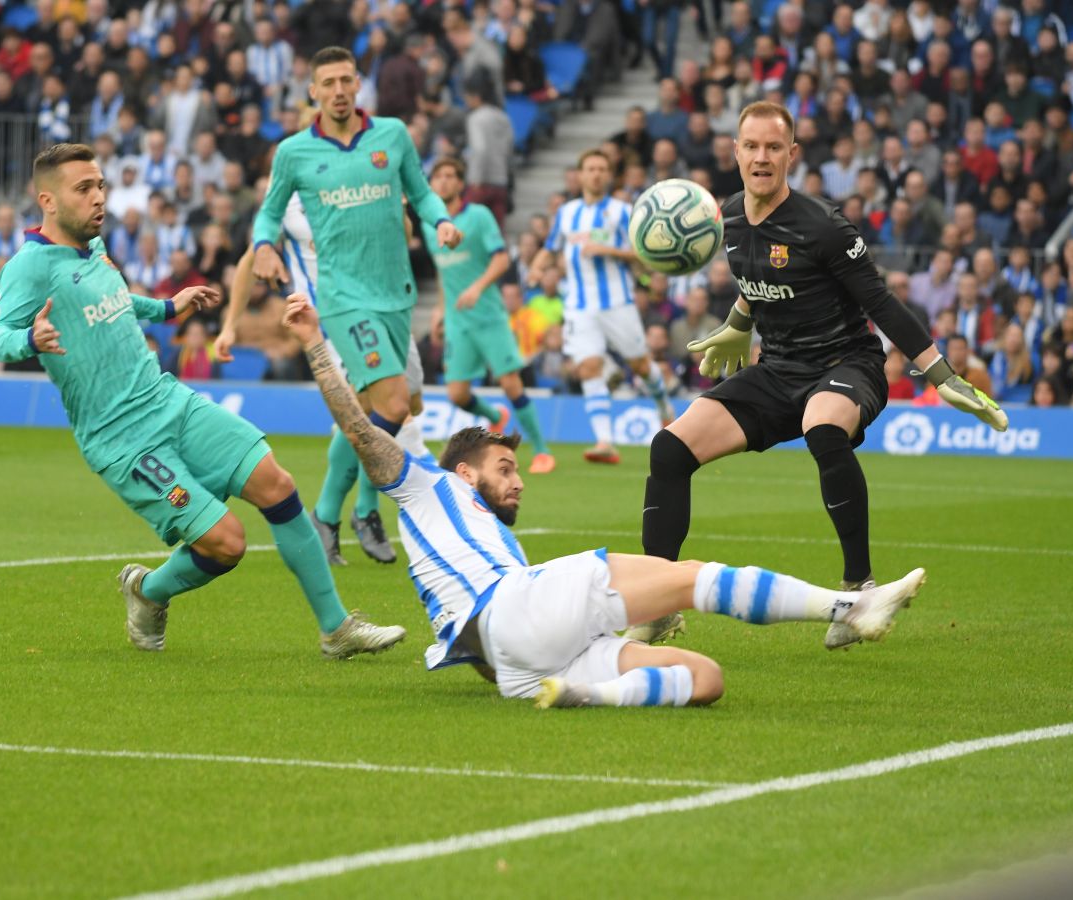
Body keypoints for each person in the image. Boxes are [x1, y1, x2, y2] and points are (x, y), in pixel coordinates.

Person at [282, 293, 927, 708]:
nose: (519, 480)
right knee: (684, 577)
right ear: (464, 470)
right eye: (504, 468)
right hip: (515, 607)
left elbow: (486, 649)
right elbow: (359, 427)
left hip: (516, 666)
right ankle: (851, 605)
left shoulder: (486, 537)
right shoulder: (426, 486)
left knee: (706, 680)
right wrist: (314, 339)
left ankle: (586, 696)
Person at [0, 143, 406, 659]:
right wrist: (31, 339)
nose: (99, 198)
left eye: (100, 186)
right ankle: (147, 591)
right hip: (123, 441)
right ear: (47, 201)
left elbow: (113, 303)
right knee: (226, 544)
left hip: (168, 401)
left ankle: (337, 629)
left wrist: (166, 307)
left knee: (277, 483)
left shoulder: (92, 249)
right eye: (84, 189)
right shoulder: (28, 267)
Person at [642, 101, 1005, 651]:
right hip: (779, 368)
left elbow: (880, 302)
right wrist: (738, 325)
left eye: (773, 147)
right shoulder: (728, 218)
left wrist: (940, 375)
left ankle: (859, 589)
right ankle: (657, 604)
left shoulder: (825, 226)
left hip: (847, 364)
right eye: (751, 146)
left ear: (791, 155)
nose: (761, 157)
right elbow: (756, 279)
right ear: (735, 152)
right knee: (669, 448)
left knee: (823, 428)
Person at [250, 46, 461, 559]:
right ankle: (355, 506)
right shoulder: (295, 152)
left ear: (358, 83)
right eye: (329, 82)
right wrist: (262, 246)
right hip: (343, 300)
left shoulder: (391, 135)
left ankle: (330, 514)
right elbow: (268, 214)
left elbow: (422, 192)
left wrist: (441, 220)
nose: (340, 90)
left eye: (347, 79)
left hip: (396, 292)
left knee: (375, 410)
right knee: (392, 405)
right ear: (313, 91)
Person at [223, 187, 434, 566]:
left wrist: (398, 210)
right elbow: (251, 257)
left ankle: (340, 513)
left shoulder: (365, 179)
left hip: (383, 307)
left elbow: (400, 241)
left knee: (404, 405)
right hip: (332, 317)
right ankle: (349, 510)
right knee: (375, 408)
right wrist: (230, 326)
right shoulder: (284, 197)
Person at [527, 149, 674, 464]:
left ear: (608, 175)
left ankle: (664, 408)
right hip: (580, 306)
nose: (595, 174)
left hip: (618, 302)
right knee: (589, 367)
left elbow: (644, 254)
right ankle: (605, 441)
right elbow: (550, 248)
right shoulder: (567, 213)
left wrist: (609, 250)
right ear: (580, 175)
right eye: (590, 168)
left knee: (640, 366)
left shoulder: (622, 211)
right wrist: (537, 268)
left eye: (601, 169)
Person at [423, 156, 554, 474]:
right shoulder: (432, 228)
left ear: (460, 183)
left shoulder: (478, 216)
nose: (443, 181)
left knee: (511, 383)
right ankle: (495, 418)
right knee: (457, 394)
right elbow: (444, 272)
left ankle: (541, 451)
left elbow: (500, 260)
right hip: (458, 321)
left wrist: (478, 288)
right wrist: (440, 308)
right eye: (438, 176)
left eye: (450, 175)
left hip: (489, 316)